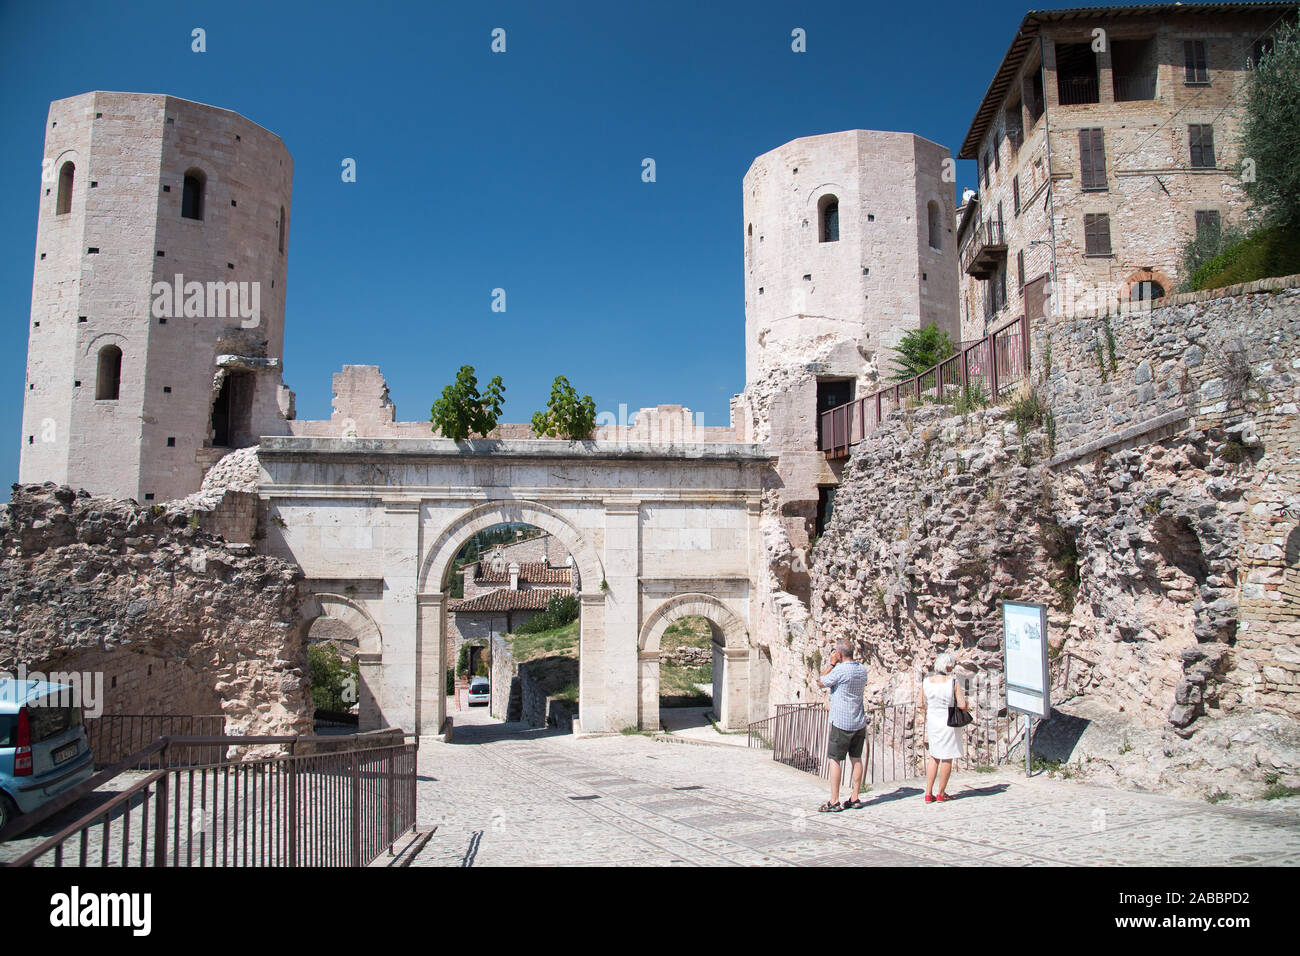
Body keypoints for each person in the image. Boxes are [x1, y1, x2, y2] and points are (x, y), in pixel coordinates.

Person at [817, 641, 868, 812]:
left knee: (835, 760)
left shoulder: (839, 670)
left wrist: (831, 664)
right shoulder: (862, 670)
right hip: (858, 720)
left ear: (839, 654)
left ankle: (834, 800)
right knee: (856, 758)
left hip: (841, 721)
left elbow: (820, 681)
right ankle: (855, 797)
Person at [919, 652, 967, 803]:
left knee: (934, 756)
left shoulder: (926, 682)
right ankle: (941, 793)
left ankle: (928, 793)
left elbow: (921, 703)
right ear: (948, 666)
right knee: (947, 757)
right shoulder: (952, 682)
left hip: (933, 720)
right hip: (948, 721)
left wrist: (932, 709)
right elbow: (962, 705)